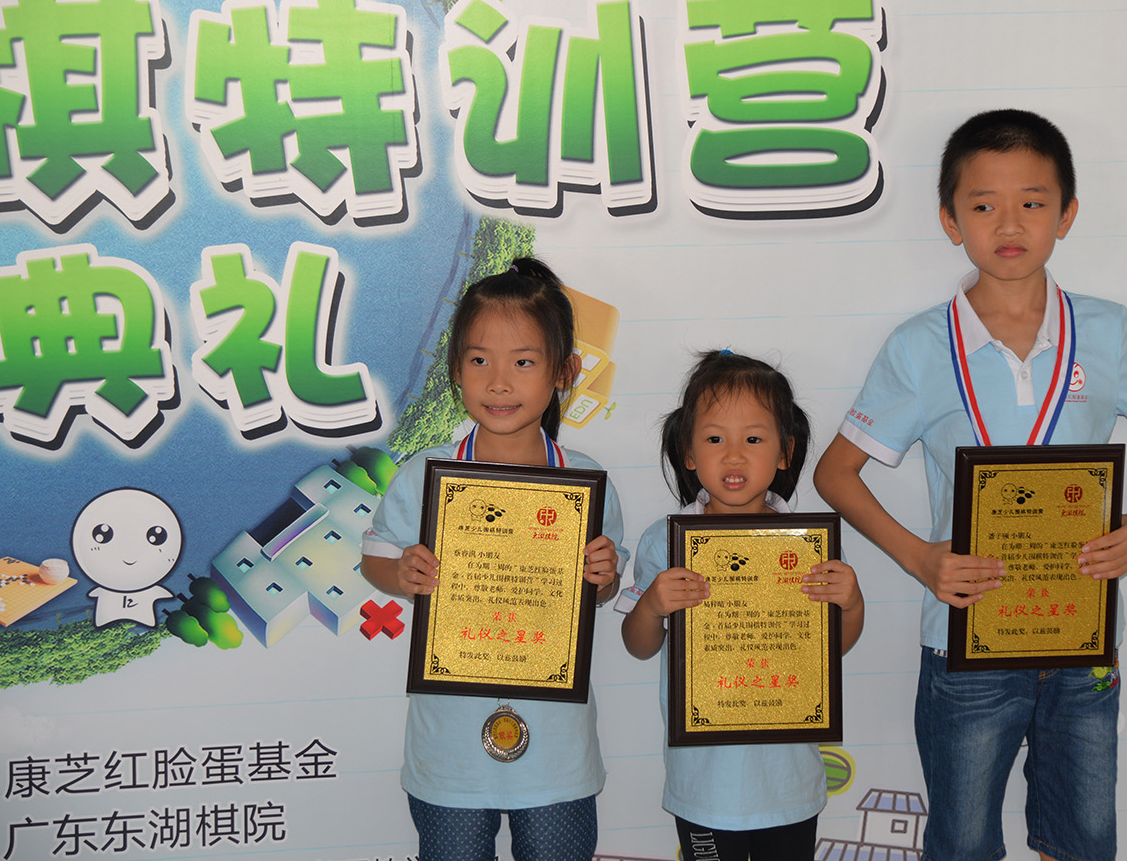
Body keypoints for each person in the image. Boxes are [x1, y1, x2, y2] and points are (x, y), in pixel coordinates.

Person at [813, 109, 1127, 861]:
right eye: (983, 205)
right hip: (966, 641)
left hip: (1083, 638)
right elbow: (835, 473)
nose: (1009, 223)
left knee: (1083, 840)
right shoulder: (920, 345)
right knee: (963, 843)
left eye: (1033, 201)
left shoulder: (1107, 331)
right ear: (950, 220)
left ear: (1066, 214)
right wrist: (921, 558)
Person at [361, 257, 626, 861]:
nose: (499, 383)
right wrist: (401, 572)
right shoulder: (426, 473)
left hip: (557, 748)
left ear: (565, 371)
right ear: (456, 369)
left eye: (523, 362)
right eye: (479, 360)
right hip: (449, 747)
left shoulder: (585, 481)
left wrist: (603, 577)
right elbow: (375, 557)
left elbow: (602, 589)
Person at [619, 350, 865, 860]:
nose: (733, 456)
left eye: (753, 439)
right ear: (688, 453)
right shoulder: (665, 542)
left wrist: (852, 604)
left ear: (784, 452)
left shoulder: (809, 546)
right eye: (714, 439)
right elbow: (639, 647)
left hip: (790, 783)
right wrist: (653, 607)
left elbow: (830, 653)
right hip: (703, 785)